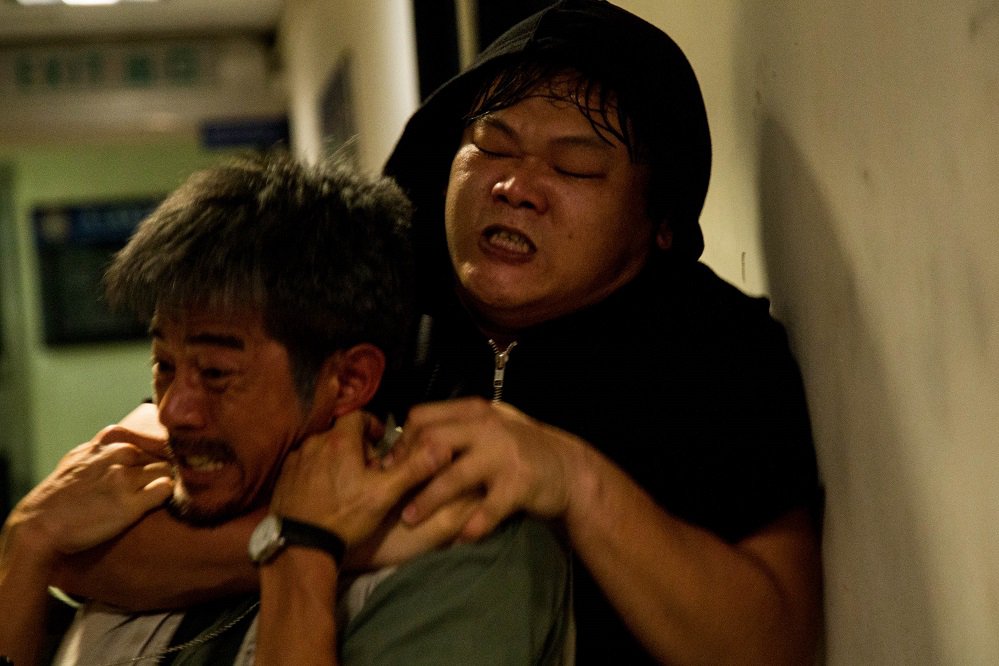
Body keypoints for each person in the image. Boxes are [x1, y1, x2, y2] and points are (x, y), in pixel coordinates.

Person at [52, 1, 822, 663]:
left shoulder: (714, 355)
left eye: (575, 168)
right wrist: (331, 539)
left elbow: (772, 642)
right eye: (491, 145)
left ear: (659, 222)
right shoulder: (367, 293)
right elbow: (91, 543)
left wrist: (574, 482)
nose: (515, 187)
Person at [0, 153, 570, 665]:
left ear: (348, 380)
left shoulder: (464, 551)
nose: (173, 411)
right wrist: (26, 541)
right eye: (163, 364)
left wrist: (304, 548)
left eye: (216, 373)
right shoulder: (136, 507)